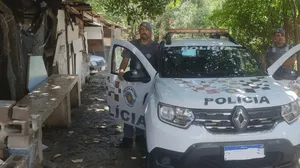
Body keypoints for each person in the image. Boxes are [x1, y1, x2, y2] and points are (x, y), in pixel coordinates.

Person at [117, 21, 159, 149]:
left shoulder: (156, 47)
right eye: (141, 29)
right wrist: (121, 72)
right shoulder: (132, 44)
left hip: (149, 83)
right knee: (130, 107)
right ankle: (127, 138)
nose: (144, 31)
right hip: (133, 82)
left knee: (145, 109)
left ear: (151, 32)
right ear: (139, 31)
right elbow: (125, 61)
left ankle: (141, 136)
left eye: (146, 29)